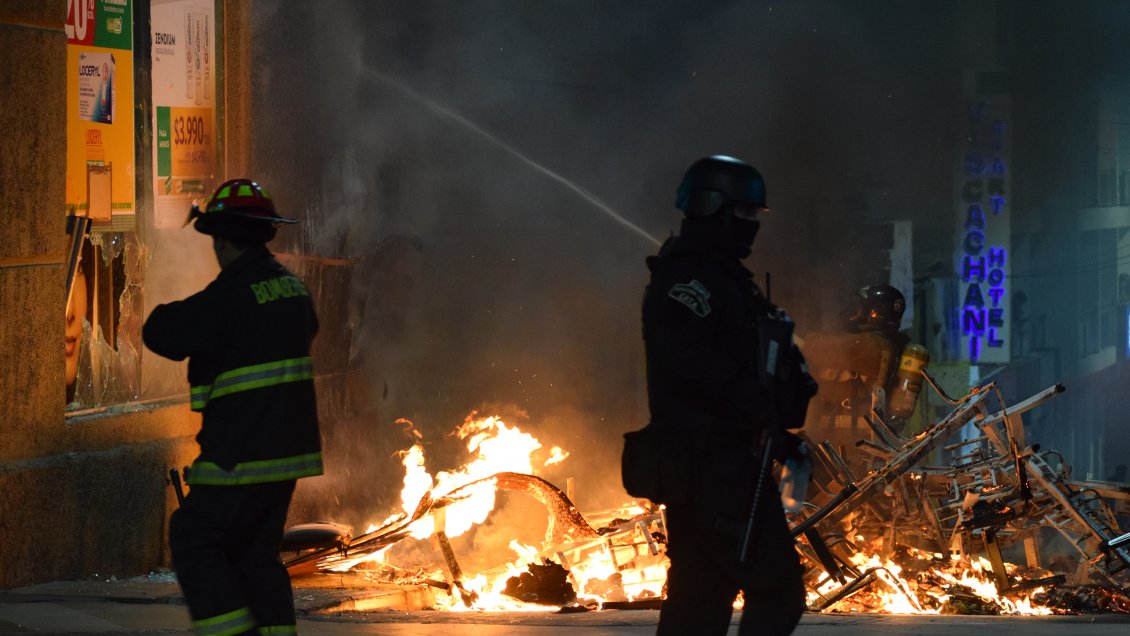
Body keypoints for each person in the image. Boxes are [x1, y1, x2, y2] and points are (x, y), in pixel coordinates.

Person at [641, 155, 815, 635]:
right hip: (711, 464)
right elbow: (695, 366)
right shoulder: (689, 279)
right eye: (743, 216)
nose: (751, 228)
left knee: (701, 599)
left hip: (724, 461)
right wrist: (759, 410)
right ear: (709, 206)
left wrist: (779, 427)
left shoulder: (723, 277)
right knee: (776, 589)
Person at [143, 178, 322, 635]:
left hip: (240, 454)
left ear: (222, 240)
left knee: (195, 540)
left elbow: (167, 332)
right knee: (256, 555)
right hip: (287, 455)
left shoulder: (230, 296)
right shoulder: (294, 291)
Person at [803, 284, 924, 475]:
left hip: (849, 452)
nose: (856, 312)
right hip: (848, 450)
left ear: (873, 312)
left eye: (861, 307)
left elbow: (813, 348)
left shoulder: (871, 346)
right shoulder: (887, 346)